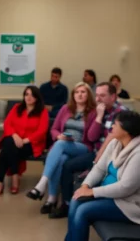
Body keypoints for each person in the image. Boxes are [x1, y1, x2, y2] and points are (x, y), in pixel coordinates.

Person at [51, 82, 127, 219]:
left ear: (113, 97)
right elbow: (92, 137)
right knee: (66, 165)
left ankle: (83, 203)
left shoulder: (121, 113)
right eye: (96, 95)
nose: (98, 99)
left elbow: (112, 138)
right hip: (94, 152)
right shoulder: (99, 110)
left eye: (102, 96)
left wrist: (97, 159)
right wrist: (98, 115)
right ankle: (66, 203)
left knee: (71, 163)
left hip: (109, 156)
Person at [26, 82, 101, 214]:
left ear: (89, 95)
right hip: (63, 145)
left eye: (83, 92)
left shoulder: (93, 112)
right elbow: (54, 129)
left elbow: (92, 137)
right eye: (77, 92)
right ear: (73, 95)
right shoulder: (65, 109)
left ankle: (42, 185)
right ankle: (52, 198)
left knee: (60, 145)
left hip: (82, 147)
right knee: (60, 159)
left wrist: (98, 118)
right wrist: (59, 136)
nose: (80, 94)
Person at [65, 111, 140, 241]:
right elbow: (99, 168)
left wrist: (92, 191)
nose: (112, 127)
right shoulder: (115, 143)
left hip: (128, 203)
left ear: (126, 130)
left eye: (115, 124)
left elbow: (125, 188)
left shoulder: (138, 154)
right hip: (108, 194)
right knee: (76, 199)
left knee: (83, 211)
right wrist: (85, 186)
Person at [0, 86, 49, 197]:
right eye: (26, 94)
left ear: (37, 98)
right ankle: (14, 177)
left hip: (32, 143)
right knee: (9, 145)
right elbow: (7, 123)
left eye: (32, 95)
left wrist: (26, 140)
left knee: (7, 149)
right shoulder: (17, 107)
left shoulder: (42, 111)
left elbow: (42, 131)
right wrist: (14, 134)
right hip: (14, 140)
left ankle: (0, 182)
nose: (29, 97)